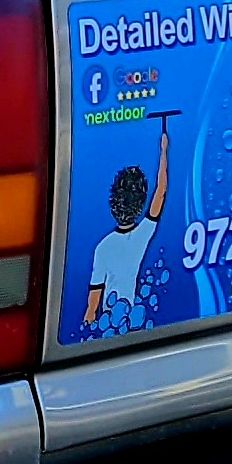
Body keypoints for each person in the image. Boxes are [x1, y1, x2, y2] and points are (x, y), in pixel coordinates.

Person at [80, 115, 171, 334]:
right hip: (131, 317)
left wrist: (88, 321)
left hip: (109, 324)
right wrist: (164, 151)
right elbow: (161, 191)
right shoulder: (141, 236)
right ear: (140, 204)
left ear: (113, 203)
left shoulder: (103, 247)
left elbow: (94, 300)